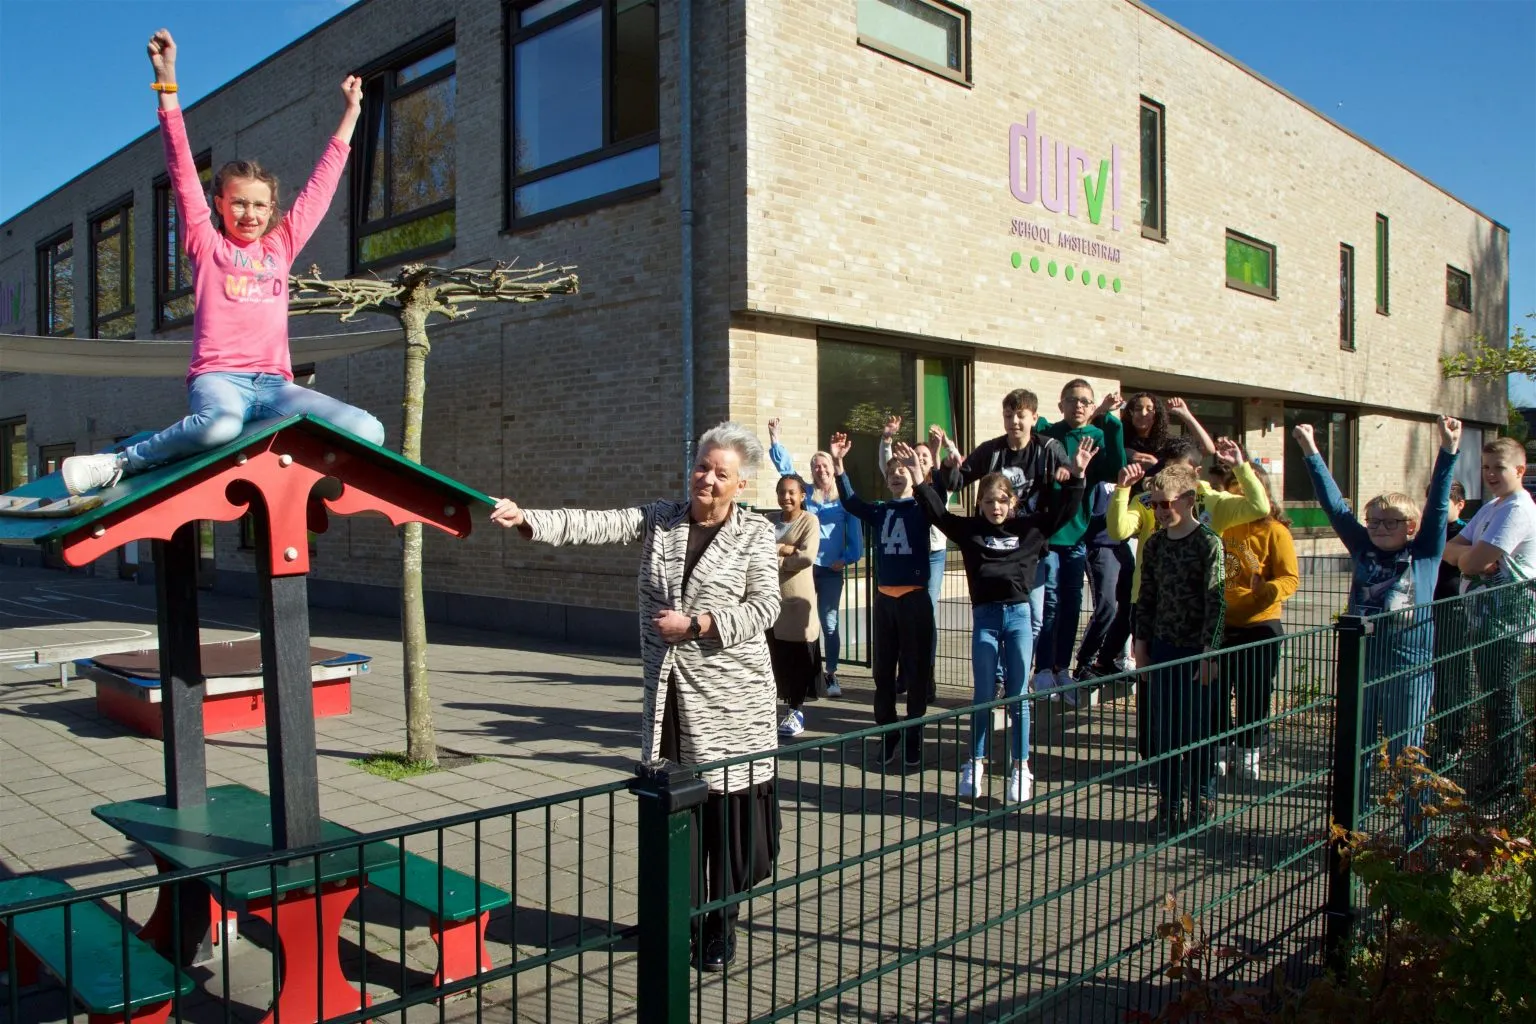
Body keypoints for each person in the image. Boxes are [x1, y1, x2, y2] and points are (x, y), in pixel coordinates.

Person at [488, 422, 781, 973]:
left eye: (722, 474)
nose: (707, 480)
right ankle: (681, 918)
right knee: (678, 815)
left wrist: (699, 623)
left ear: (741, 485)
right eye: (702, 467)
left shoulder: (755, 534)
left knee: (724, 818)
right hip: (669, 698)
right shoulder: (661, 519)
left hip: (731, 703)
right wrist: (528, 518)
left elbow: (767, 607)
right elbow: (598, 523)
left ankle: (721, 925)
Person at [62, 29, 384, 496]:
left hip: (275, 386)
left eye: (259, 206)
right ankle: (120, 462)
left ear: (272, 211)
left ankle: (302, 481)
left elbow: (321, 187)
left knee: (369, 430)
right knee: (219, 428)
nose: (249, 215)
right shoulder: (206, 244)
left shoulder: (280, 247)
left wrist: (351, 113)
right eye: (238, 204)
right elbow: (181, 168)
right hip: (220, 381)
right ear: (219, 204)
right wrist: (167, 82)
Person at [905, 437, 1095, 802]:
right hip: (986, 619)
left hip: (1020, 618)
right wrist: (919, 480)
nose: (995, 507)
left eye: (1002, 501)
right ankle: (974, 762)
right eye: (988, 501)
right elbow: (938, 515)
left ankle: (1020, 766)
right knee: (981, 696)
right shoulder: (972, 532)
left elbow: (1065, 513)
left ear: (1013, 502)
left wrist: (1078, 476)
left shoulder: (1030, 529)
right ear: (980, 504)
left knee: (1018, 696)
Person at [1297, 415, 1460, 810]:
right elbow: (1335, 507)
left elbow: (1439, 503)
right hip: (1363, 664)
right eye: (1374, 521)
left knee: (1408, 756)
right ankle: (1351, 832)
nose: (1380, 527)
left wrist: (1448, 449)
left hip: (1409, 668)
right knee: (1357, 750)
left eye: (1392, 521)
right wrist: (1311, 451)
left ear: (1412, 526)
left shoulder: (1424, 553)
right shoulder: (1362, 547)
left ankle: (1411, 834)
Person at [1133, 463, 1226, 837]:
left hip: (1196, 649)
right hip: (1163, 646)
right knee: (1166, 730)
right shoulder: (1155, 544)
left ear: (1188, 500)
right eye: (1153, 505)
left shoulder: (1208, 543)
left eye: (1165, 504)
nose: (1158, 512)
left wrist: (1210, 652)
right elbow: (1146, 597)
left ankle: (1202, 797)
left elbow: (1216, 603)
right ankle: (1169, 802)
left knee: (1199, 727)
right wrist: (1141, 645)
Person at [830, 431, 933, 767]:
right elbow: (851, 503)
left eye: (902, 469)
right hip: (885, 603)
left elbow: (938, 502)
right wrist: (839, 465)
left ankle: (915, 733)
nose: (895, 474)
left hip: (915, 601)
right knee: (883, 673)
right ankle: (888, 732)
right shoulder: (881, 510)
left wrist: (919, 471)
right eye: (891, 471)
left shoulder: (922, 508)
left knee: (916, 671)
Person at [1443, 436, 1535, 797]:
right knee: (1494, 699)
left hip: (1507, 625)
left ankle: (1508, 781)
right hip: (1484, 620)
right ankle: (1505, 773)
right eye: (1485, 467)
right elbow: (1450, 549)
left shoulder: (1516, 510)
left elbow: (1473, 560)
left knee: (1501, 699)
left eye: (1499, 467)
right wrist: (1465, 558)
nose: (1491, 474)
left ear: (1519, 470)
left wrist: (1467, 559)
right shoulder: (1492, 507)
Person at [1034, 380, 1127, 701]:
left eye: (1086, 402)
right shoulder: (1049, 433)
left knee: (1072, 603)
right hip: (1048, 534)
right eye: (1072, 400)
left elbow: (1115, 468)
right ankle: (1043, 669)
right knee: (1049, 604)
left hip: (1077, 536)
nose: (1079, 406)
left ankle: (1062, 669)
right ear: (1061, 404)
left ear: (1092, 406)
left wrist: (1110, 420)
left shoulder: (1097, 436)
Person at [1211, 462, 1298, 782]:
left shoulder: (1276, 531)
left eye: (1245, 492)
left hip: (1260, 623)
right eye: (1233, 492)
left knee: (1254, 693)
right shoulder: (1223, 526)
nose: (1238, 499)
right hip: (1221, 624)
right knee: (1215, 693)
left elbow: (1289, 578)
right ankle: (1218, 751)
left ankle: (1249, 751)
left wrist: (1268, 591)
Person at [768, 419, 863, 697]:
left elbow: (855, 533)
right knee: (803, 623)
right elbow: (787, 473)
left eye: (824, 465)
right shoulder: (806, 494)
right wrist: (775, 440)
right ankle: (803, 674)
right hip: (804, 570)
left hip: (831, 569)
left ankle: (831, 673)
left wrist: (847, 558)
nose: (819, 469)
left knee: (829, 622)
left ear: (833, 469)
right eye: (815, 466)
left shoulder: (844, 498)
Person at [879, 416, 957, 693]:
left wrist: (938, 451)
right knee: (901, 613)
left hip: (932, 554)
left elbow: (942, 480)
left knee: (926, 611)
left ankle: (927, 674)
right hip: (907, 557)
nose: (922, 459)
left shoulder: (935, 485)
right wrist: (887, 440)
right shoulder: (904, 480)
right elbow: (886, 466)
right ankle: (904, 672)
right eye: (918, 454)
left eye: (926, 456)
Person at [766, 474, 821, 738]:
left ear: (802, 496)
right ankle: (772, 709)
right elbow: (758, 552)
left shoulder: (809, 521)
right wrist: (785, 548)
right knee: (774, 657)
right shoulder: (768, 523)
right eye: (781, 492)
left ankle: (796, 709)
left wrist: (778, 557)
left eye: (791, 492)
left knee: (797, 657)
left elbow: (806, 556)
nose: (785, 497)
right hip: (770, 602)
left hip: (796, 603)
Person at [1427, 481, 1473, 766]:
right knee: (1434, 680)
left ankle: (1452, 739)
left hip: (1454, 611)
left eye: (1444, 503)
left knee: (1453, 678)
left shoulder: (1466, 533)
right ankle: (1439, 736)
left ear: (1459, 504)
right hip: (1426, 613)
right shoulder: (1426, 532)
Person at [1123, 393, 1216, 481]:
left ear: (1156, 415)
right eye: (1138, 409)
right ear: (1131, 413)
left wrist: (1185, 414)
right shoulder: (1119, 440)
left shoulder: (1168, 444)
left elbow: (1208, 449)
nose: (1143, 413)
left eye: (1149, 409)